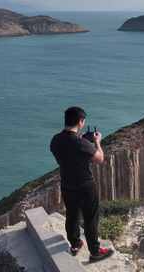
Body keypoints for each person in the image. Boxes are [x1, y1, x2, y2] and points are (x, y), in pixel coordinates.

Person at [49, 106, 114, 262]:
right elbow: (99, 158)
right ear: (81, 121)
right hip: (85, 186)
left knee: (71, 215)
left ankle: (75, 243)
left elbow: (69, 153)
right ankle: (95, 252)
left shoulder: (55, 140)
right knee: (90, 218)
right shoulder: (80, 143)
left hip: (66, 184)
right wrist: (97, 142)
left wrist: (83, 140)